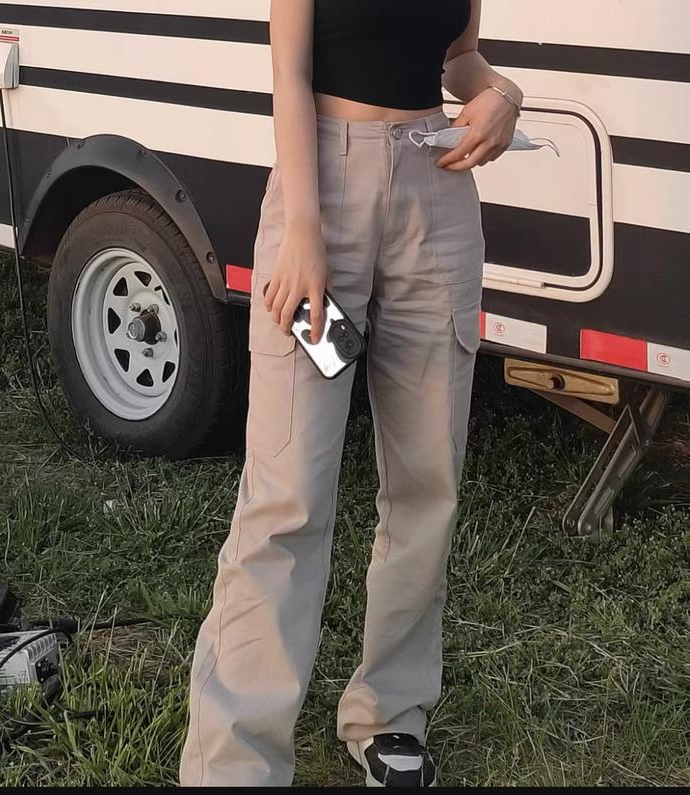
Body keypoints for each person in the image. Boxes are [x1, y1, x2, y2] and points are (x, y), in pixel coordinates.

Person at [180, 0, 522, 787]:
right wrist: (304, 228)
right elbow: (289, 72)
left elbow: (459, 57)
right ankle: (234, 760)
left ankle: (390, 712)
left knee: (427, 481)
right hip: (323, 194)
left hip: (435, 195)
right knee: (288, 491)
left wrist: (503, 94)